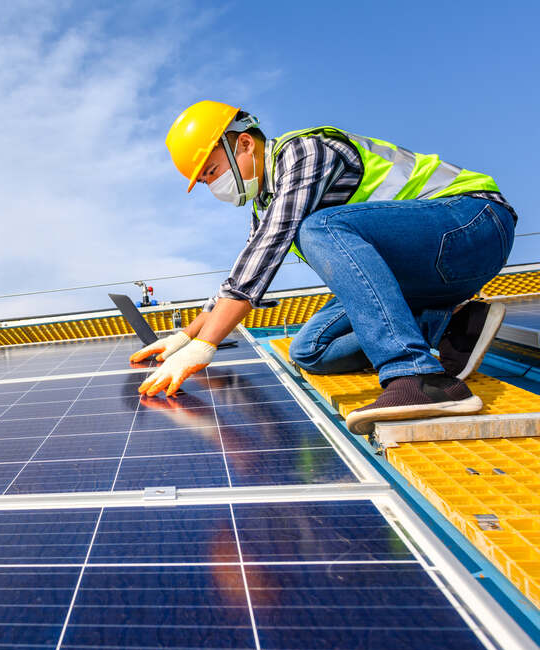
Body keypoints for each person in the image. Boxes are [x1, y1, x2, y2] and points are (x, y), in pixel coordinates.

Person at [132, 100, 516, 435]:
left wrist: (206, 344)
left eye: (212, 172)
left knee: (319, 226)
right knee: (310, 350)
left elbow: (267, 251)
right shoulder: (265, 203)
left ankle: (418, 376)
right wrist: (186, 336)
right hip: (422, 275)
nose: (212, 186)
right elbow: (241, 274)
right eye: (203, 181)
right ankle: (450, 325)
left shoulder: (304, 154)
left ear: (244, 143)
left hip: (471, 225)